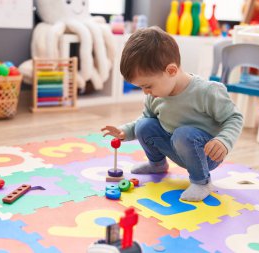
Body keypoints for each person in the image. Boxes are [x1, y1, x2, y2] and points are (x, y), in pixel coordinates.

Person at [101, 27, 243, 202]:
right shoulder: (156, 95)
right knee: (144, 126)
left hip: (206, 154)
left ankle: (202, 181)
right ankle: (157, 165)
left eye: (148, 86)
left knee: (182, 134)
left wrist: (223, 141)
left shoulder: (207, 91)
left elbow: (234, 118)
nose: (146, 92)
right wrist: (126, 131)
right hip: (175, 145)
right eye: (142, 88)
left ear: (171, 71)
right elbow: (145, 119)